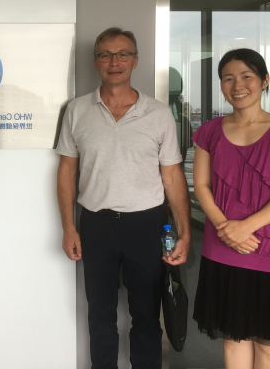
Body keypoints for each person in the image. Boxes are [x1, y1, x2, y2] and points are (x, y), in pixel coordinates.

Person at [56, 27, 191, 369]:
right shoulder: (77, 110)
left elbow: (173, 176)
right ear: (96, 61)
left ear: (135, 61)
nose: (114, 62)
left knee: (146, 314)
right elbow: (67, 172)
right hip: (96, 225)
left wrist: (185, 232)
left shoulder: (159, 114)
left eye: (123, 54)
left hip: (146, 224)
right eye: (106, 54)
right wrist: (69, 227)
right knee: (99, 313)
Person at [191, 48, 270, 369]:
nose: (237, 85)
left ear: (264, 81)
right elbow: (202, 186)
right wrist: (226, 229)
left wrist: (244, 227)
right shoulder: (209, 132)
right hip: (223, 247)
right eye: (228, 78)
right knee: (233, 339)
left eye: (247, 76)